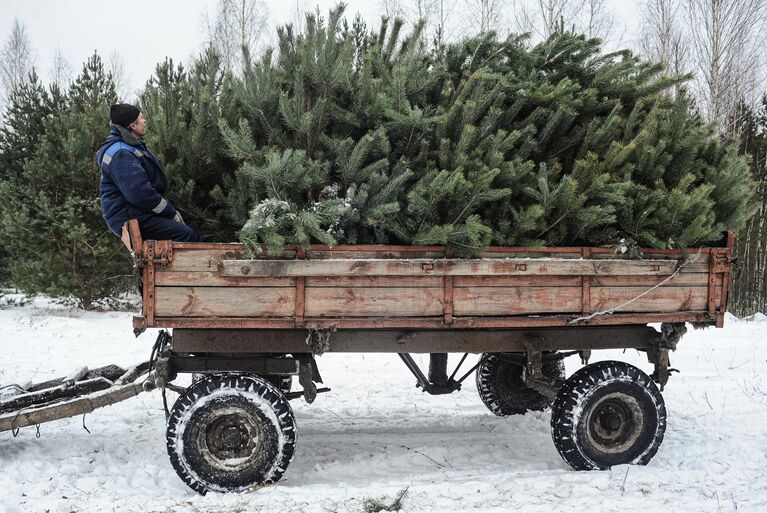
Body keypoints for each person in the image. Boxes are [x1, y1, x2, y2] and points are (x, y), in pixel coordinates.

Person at [96, 103, 200, 242]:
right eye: (141, 118)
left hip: (136, 212)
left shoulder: (131, 145)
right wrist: (170, 213)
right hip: (127, 216)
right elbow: (140, 194)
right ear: (133, 125)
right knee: (186, 235)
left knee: (188, 231)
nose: (145, 121)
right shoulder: (121, 153)